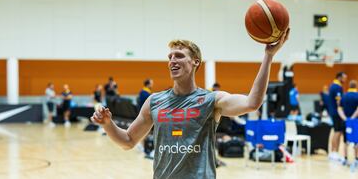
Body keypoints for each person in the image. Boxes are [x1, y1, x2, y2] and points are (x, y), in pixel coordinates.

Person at [91, 28, 289, 179]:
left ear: (195, 62)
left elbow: (252, 103)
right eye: (170, 57)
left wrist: (268, 56)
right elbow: (128, 141)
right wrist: (108, 125)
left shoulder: (212, 100)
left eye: (179, 56)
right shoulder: (155, 101)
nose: (172, 61)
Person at [327, 72, 347, 162]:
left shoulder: (332, 85)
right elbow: (339, 101)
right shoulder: (337, 87)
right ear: (339, 77)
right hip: (337, 113)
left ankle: (334, 152)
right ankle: (334, 152)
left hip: (333, 112)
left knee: (337, 131)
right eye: (344, 78)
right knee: (337, 132)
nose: (345, 80)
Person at [337, 80, 358, 166]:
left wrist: (345, 118)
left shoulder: (344, 96)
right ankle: (356, 159)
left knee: (345, 140)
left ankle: (345, 158)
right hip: (355, 122)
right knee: (356, 141)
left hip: (345, 122)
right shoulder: (357, 96)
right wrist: (353, 117)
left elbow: (339, 108)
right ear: (356, 86)